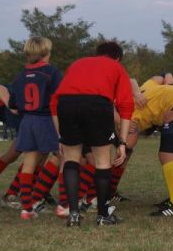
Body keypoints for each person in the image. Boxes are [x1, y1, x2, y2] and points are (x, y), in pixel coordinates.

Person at [50, 41, 133, 227]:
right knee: (103, 161)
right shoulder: (116, 66)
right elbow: (126, 106)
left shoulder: (78, 63)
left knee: (71, 158)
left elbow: (54, 102)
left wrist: (60, 136)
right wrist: (122, 143)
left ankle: (73, 214)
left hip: (67, 104)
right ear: (118, 58)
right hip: (96, 104)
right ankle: (103, 215)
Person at [127, 76, 173, 217]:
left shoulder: (129, 116)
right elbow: (147, 78)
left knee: (167, 155)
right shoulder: (146, 86)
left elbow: (129, 143)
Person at [10, 36, 62, 221]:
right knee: (63, 157)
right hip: (46, 119)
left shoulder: (19, 76)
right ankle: (64, 204)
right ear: (45, 53)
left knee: (29, 162)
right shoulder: (52, 72)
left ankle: (26, 208)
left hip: (27, 121)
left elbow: (13, 104)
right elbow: (60, 97)